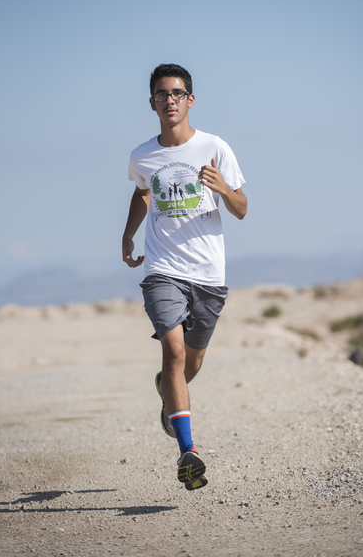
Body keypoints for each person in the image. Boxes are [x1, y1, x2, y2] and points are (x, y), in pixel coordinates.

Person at [122, 64, 247, 491]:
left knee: (191, 362)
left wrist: (223, 188)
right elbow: (142, 192)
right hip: (162, 269)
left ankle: (166, 392)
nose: (169, 100)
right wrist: (127, 235)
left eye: (177, 93)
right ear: (152, 102)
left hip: (208, 274)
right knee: (173, 351)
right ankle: (188, 452)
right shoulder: (143, 155)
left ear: (190, 100)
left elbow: (243, 208)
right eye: (162, 94)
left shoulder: (214, 147)